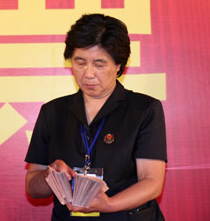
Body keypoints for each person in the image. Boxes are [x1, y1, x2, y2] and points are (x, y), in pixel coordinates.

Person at [25, 13, 167, 220]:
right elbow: (32, 187)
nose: (88, 73)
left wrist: (109, 204)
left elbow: (152, 181)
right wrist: (50, 175)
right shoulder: (53, 112)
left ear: (119, 65)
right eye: (80, 62)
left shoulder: (144, 109)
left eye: (99, 64)